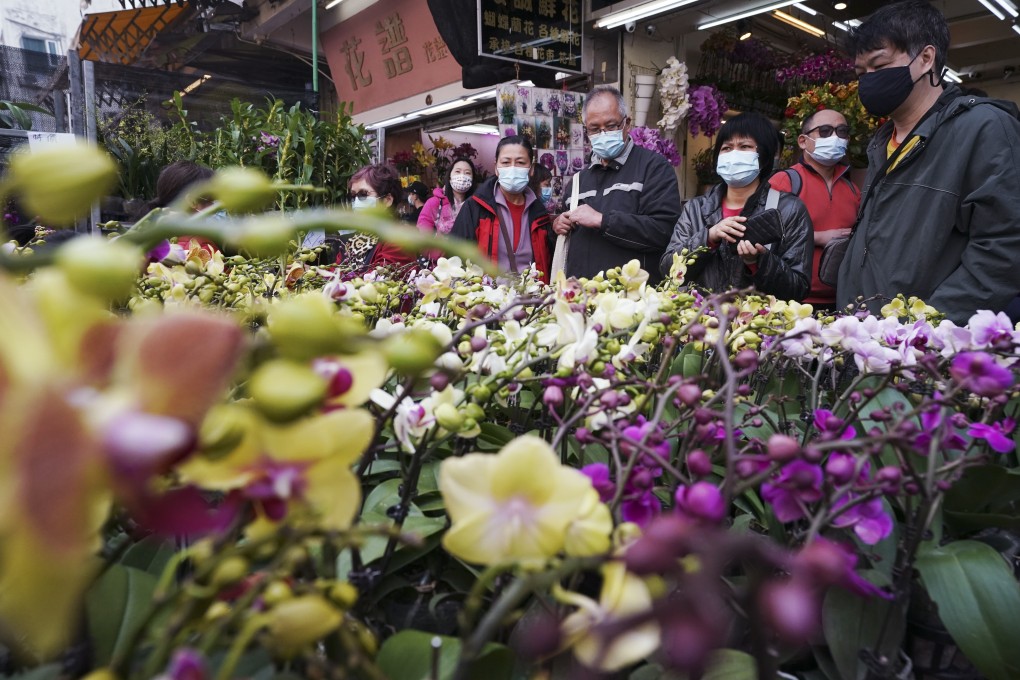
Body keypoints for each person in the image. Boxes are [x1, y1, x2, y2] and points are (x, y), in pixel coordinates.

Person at [836, 0, 1020, 323]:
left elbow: (1004, 248)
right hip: (867, 343)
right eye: (861, 72)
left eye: (879, 66)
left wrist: (924, 329)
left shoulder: (983, 129)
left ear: (925, 58)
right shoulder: (881, 143)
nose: (868, 81)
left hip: (923, 354)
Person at [659, 113, 813, 301]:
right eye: (727, 148)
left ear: (765, 156)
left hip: (758, 326)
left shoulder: (789, 210)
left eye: (745, 146)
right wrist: (708, 238)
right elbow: (668, 269)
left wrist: (759, 262)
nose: (734, 154)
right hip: (701, 322)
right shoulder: (695, 209)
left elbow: (797, 289)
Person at [552, 86, 681, 284]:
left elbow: (663, 232)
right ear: (586, 130)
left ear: (627, 124)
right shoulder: (578, 181)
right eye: (594, 129)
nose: (603, 134)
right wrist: (558, 225)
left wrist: (602, 221)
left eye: (611, 126)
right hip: (581, 299)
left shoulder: (653, 168)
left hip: (632, 302)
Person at [769, 108, 860, 310]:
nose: (835, 137)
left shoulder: (852, 189)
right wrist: (819, 237)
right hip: (792, 302)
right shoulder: (783, 182)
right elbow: (764, 236)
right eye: (825, 131)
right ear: (803, 141)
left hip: (842, 301)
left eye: (842, 131)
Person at [451, 135, 552, 281]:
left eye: (520, 162)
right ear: (496, 168)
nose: (512, 168)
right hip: (488, 300)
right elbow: (456, 257)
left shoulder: (540, 214)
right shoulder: (475, 208)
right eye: (505, 162)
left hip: (532, 300)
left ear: (531, 169)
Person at [335, 164, 416, 272]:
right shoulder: (352, 241)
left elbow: (377, 282)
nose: (356, 202)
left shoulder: (400, 240)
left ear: (387, 200)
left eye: (363, 195)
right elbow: (333, 275)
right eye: (354, 196)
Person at [139, 161, 219, 252]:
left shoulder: (147, 239)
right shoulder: (200, 248)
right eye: (211, 200)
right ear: (192, 201)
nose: (215, 207)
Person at [417, 158, 477, 236]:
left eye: (467, 173)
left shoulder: (476, 206)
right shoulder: (434, 203)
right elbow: (423, 236)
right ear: (449, 177)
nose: (462, 176)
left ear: (473, 179)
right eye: (457, 171)